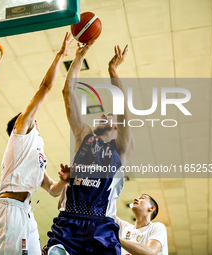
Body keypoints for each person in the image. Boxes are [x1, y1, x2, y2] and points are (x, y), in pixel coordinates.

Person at [43, 43, 135, 255]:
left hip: (101, 223)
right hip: (69, 222)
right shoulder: (84, 136)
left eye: (109, 115)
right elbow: (68, 93)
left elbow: (123, 109)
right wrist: (79, 56)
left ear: (116, 126)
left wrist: (113, 71)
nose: (104, 115)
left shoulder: (121, 149)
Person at [0, 33, 74, 255]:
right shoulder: (21, 132)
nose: (36, 119)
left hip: (24, 210)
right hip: (9, 209)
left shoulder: (36, 154)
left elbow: (54, 191)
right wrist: (59, 56)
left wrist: (64, 181)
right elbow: (46, 87)